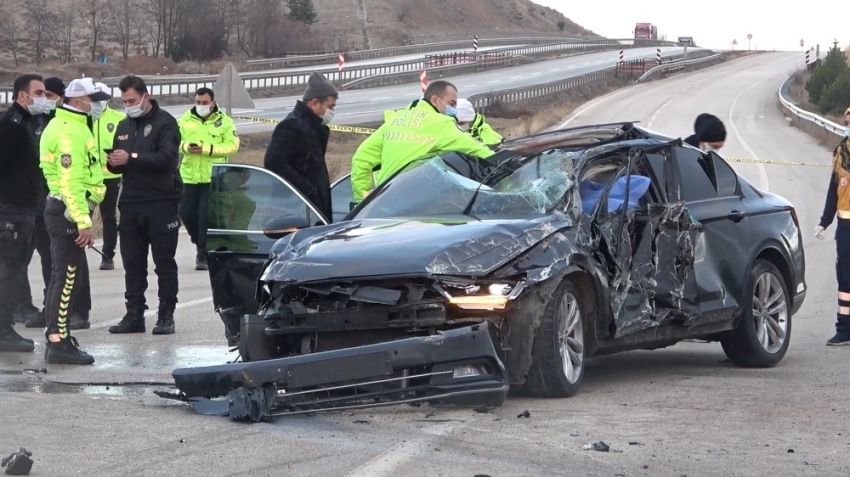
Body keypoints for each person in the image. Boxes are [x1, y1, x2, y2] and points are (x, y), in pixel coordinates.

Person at [39, 77, 110, 364]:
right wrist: (83, 221)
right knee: (66, 279)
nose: (100, 105)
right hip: (67, 211)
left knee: (64, 277)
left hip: (67, 209)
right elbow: (70, 181)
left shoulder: (74, 125)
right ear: (79, 101)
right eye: (95, 99)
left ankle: (59, 337)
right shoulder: (70, 131)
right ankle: (58, 342)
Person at [106, 75, 182, 336]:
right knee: (133, 263)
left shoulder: (166, 124)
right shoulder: (123, 125)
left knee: (164, 262)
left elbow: (166, 159)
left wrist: (132, 157)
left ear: (145, 97)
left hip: (161, 202)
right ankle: (134, 315)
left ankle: (166, 315)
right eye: (124, 101)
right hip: (130, 202)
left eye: (132, 100)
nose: (128, 105)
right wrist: (114, 161)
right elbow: (118, 159)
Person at [349, 80, 496, 204]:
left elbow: (361, 160)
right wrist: (506, 166)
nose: (454, 110)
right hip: (414, 207)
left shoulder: (395, 120)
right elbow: (477, 150)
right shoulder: (439, 123)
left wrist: (363, 204)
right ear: (434, 100)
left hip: (384, 205)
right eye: (452, 103)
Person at [0, 74, 49, 354]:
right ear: (22, 96)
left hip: (23, 208)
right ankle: (3, 331)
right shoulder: (12, 126)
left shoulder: (28, 123)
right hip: (11, 209)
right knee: (9, 270)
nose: (43, 97)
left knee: (14, 269)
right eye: (39, 92)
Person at [16, 76, 64, 327]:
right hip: (25, 202)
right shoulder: (23, 122)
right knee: (18, 257)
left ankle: (52, 308)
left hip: (48, 199)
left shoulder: (56, 122)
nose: (44, 99)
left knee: (50, 257)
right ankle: (20, 306)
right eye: (41, 93)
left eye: (48, 94)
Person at [178, 87, 240, 270]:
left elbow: (233, 146)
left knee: (205, 217)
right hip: (189, 176)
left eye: (204, 103)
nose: (201, 106)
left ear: (212, 103)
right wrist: (186, 147)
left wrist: (208, 149)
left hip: (213, 177)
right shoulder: (185, 119)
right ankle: (200, 243)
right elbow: (173, 142)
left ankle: (203, 255)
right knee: (186, 214)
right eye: (198, 102)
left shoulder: (225, 122)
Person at [263, 72, 337, 221]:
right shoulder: (291, 126)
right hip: (296, 211)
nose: (332, 112)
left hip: (313, 209)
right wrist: (307, 190)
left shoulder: (315, 127)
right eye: (330, 106)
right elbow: (273, 161)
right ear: (315, 103)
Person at [815, 106, 850, 346]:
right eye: (848, 122)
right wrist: (824, 221)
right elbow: (833, 190)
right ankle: (845, 329)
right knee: (845, 281)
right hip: (845, 227)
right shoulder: (840, 152)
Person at [93, 81, 126, 271]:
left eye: (102, 99)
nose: (98, 103)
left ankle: (108, 255)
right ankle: (74, 254)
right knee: (80, 217)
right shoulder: (85, 118)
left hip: (110, 177)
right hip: (87, 177)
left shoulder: (119, 118)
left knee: (108, 217)